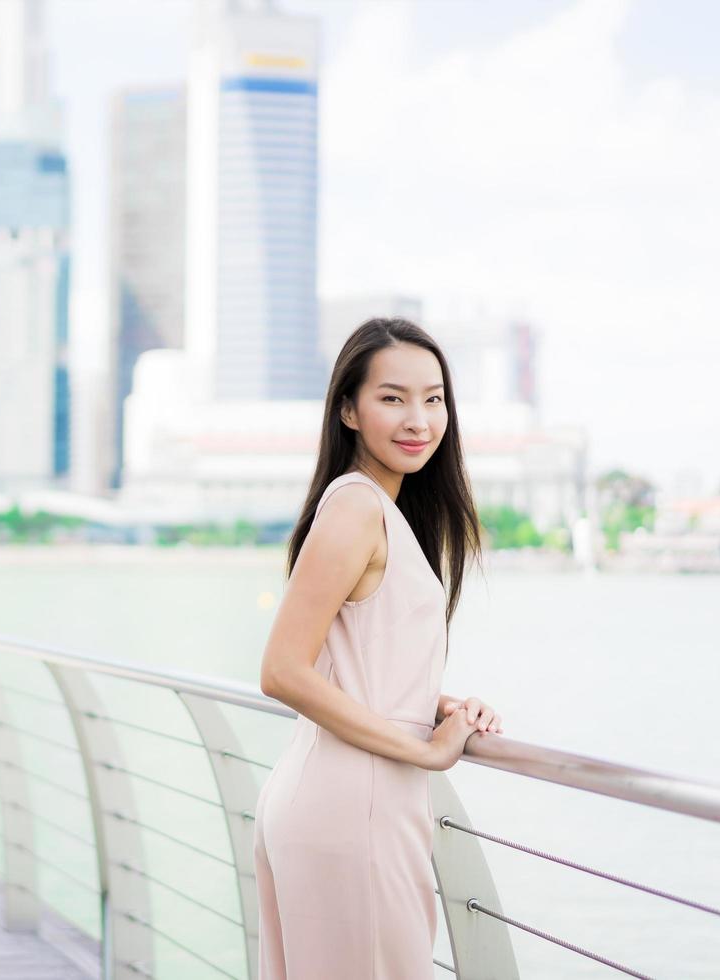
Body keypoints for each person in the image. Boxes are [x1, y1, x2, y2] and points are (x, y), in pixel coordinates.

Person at [253, 317, 503, 979]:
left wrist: (435, 705)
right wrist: (426, 747)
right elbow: (281, 670)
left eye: (434, 397)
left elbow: (360, 656)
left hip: (352, 802)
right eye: (392, 398)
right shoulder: (358, 508)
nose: (418, 418)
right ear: (348, 410)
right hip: (352, 810)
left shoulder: (377, 511)